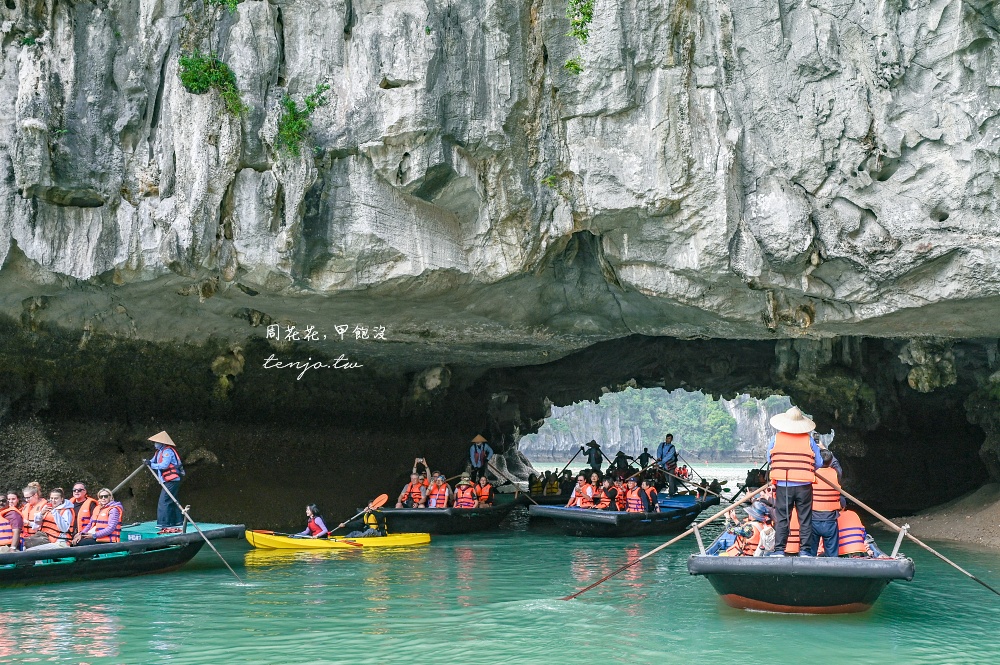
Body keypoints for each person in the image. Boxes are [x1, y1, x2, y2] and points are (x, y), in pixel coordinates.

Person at [766, 407, 822, 556]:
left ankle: (779, 550)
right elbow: (820, 463)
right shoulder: (809, 440)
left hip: (784, 485)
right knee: (804, 519)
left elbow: (769, 459)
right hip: (804, 486)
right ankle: (804, 551)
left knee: (783, 518)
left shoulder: (776, 438)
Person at [146, 431, 185, 534]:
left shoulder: (168, 452)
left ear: (162, 442)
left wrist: (152, 465)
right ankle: (177, 521)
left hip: (171, 480)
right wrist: (147, 462)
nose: (155, 444)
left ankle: (164, 524)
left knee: (164, 501)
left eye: (156, 442)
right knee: (172, 500)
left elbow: (164, 465)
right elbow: (153, 461)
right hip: (167, 480)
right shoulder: (159, 452)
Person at [806, 449, 841, 557]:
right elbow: (835, 463)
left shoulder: (810, 474)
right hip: (830, 520)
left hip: (813, 519)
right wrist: (827, 451)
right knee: (832, 556)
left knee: (810, 554)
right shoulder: (837, 473)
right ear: (830, 461)